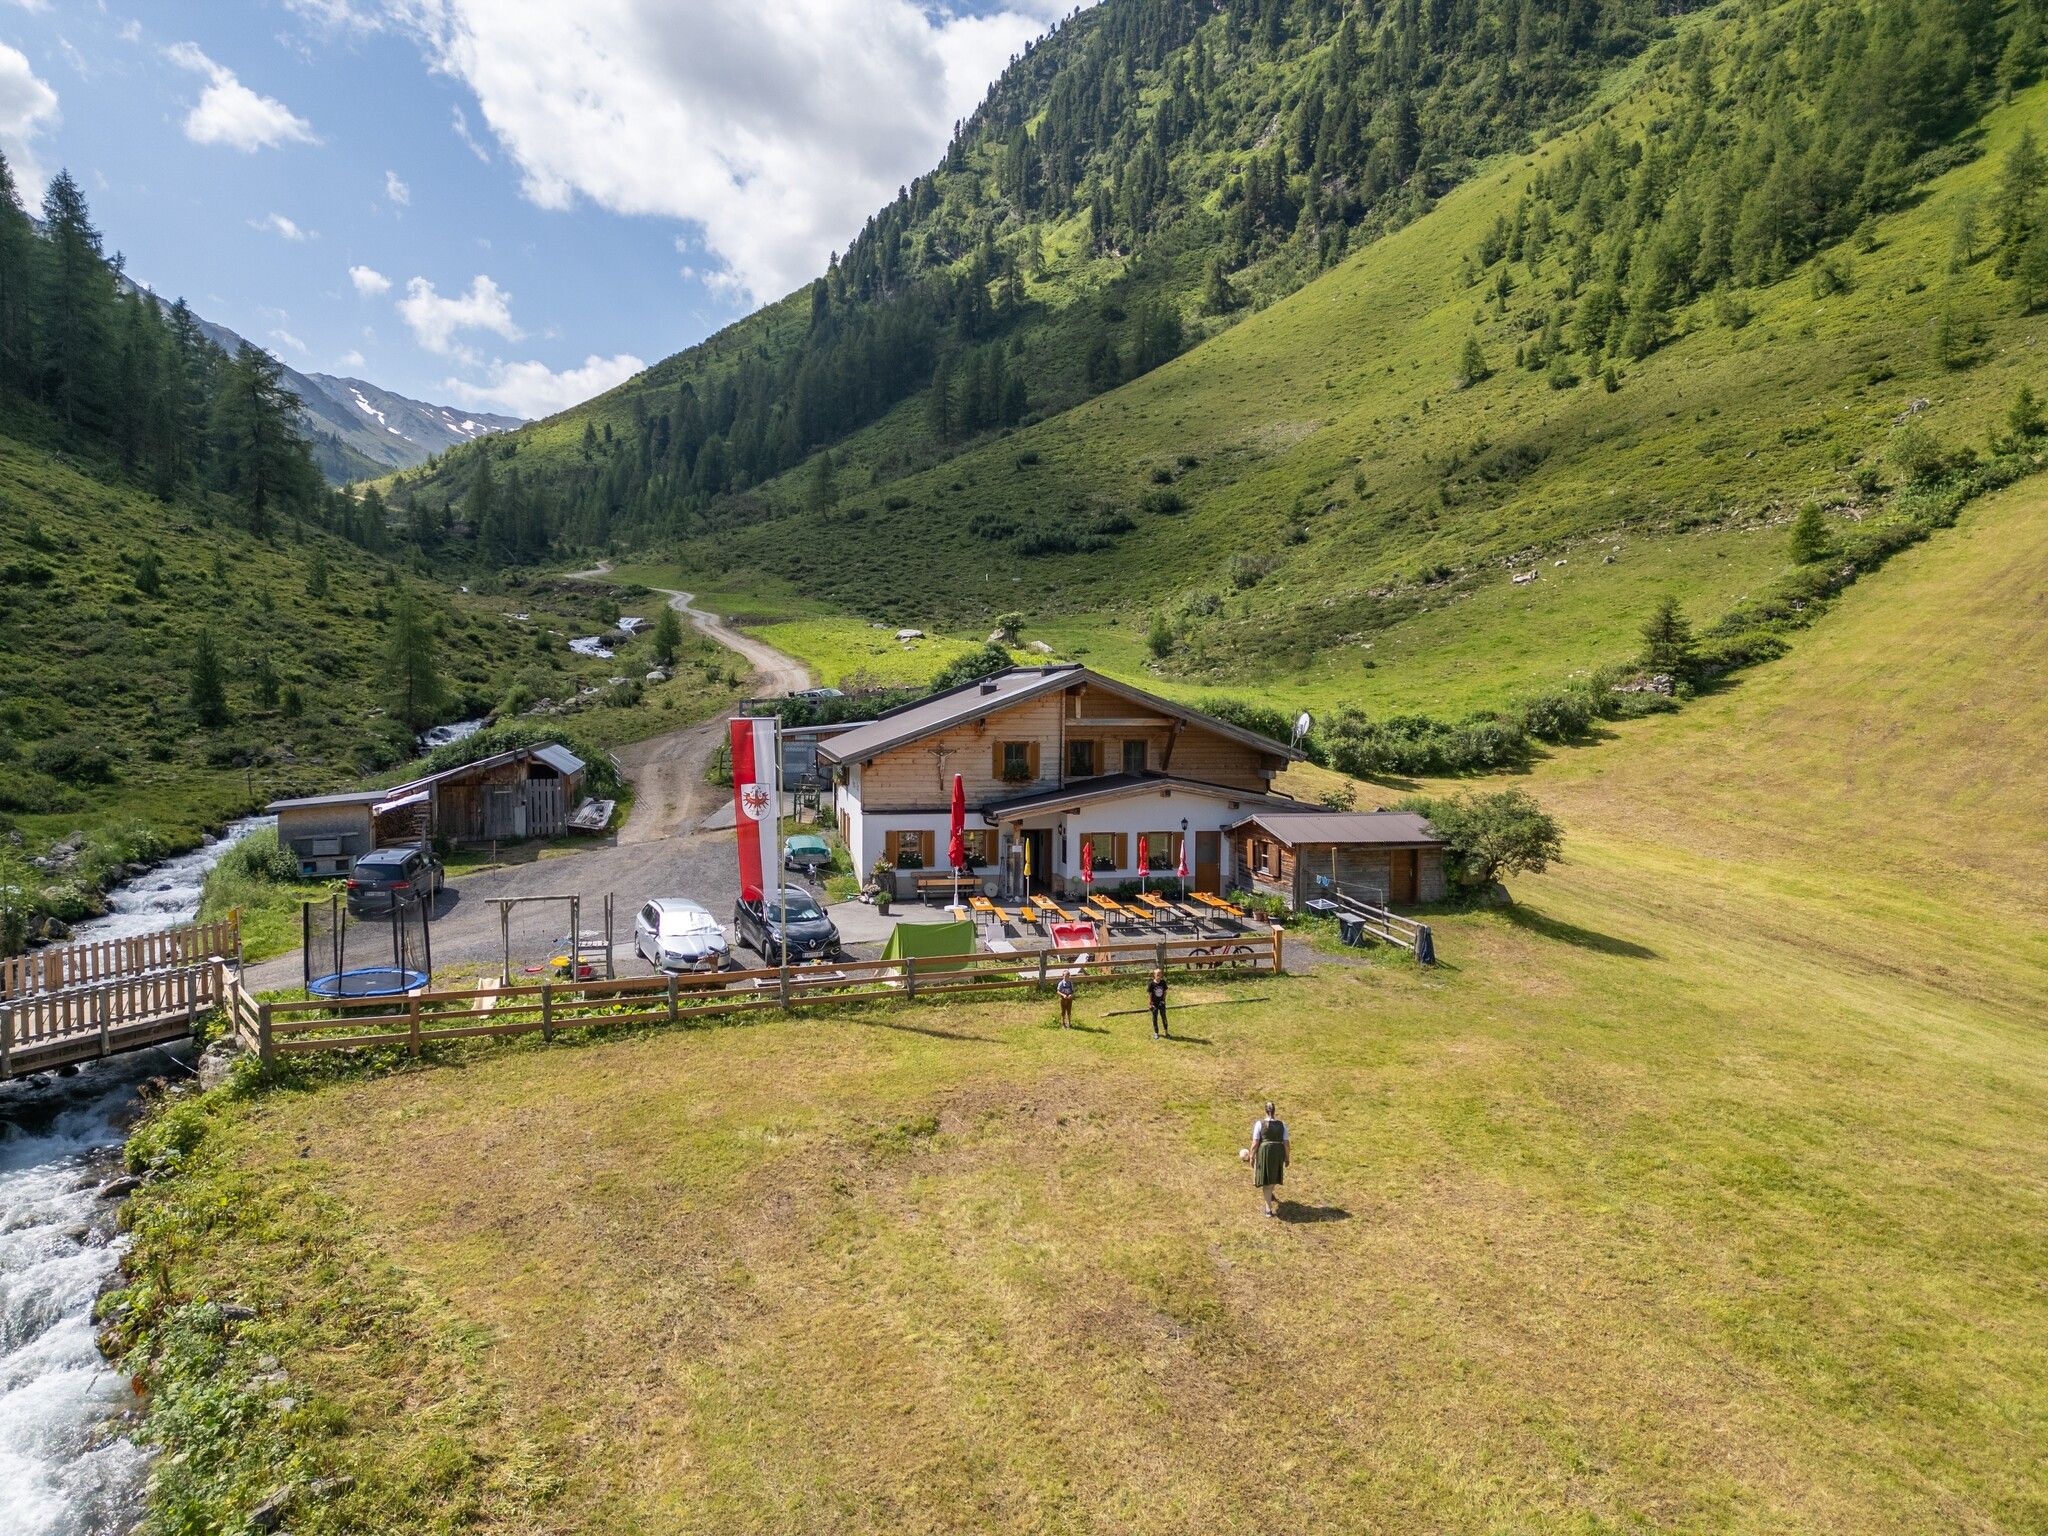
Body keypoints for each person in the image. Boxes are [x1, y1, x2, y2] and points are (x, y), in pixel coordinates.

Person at [1251, 1101, 1288, 1217]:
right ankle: (1270, 1195)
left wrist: (1252, 1156)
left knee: (1266, 1182)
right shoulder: (1282, 1125)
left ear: (1265, 1111)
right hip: (1278, 1152)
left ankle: (1268, 1210)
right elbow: (1286, 1143)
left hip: (1265, 1152)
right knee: (1272, 1177)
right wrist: (1287, 1157)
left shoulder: (1259, 1124)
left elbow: (1255, 1143)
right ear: (1274, 1111)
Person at [1147, 967, 1170, 1038]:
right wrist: (1150, 1003)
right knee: (1155, 1018)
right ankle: (1156, 1033)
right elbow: (1150, 994)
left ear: (1161, 975)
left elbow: (1165, 992)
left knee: (1164, 1017)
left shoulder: (1163, 982)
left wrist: (1163, 1000)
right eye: (1157, 974)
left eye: (1160, 974)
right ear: (1154, 975)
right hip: (1154, 1004)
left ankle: (1166, 1032)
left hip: (1161, 1003)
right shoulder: (1151, 984)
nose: (1159, 976)